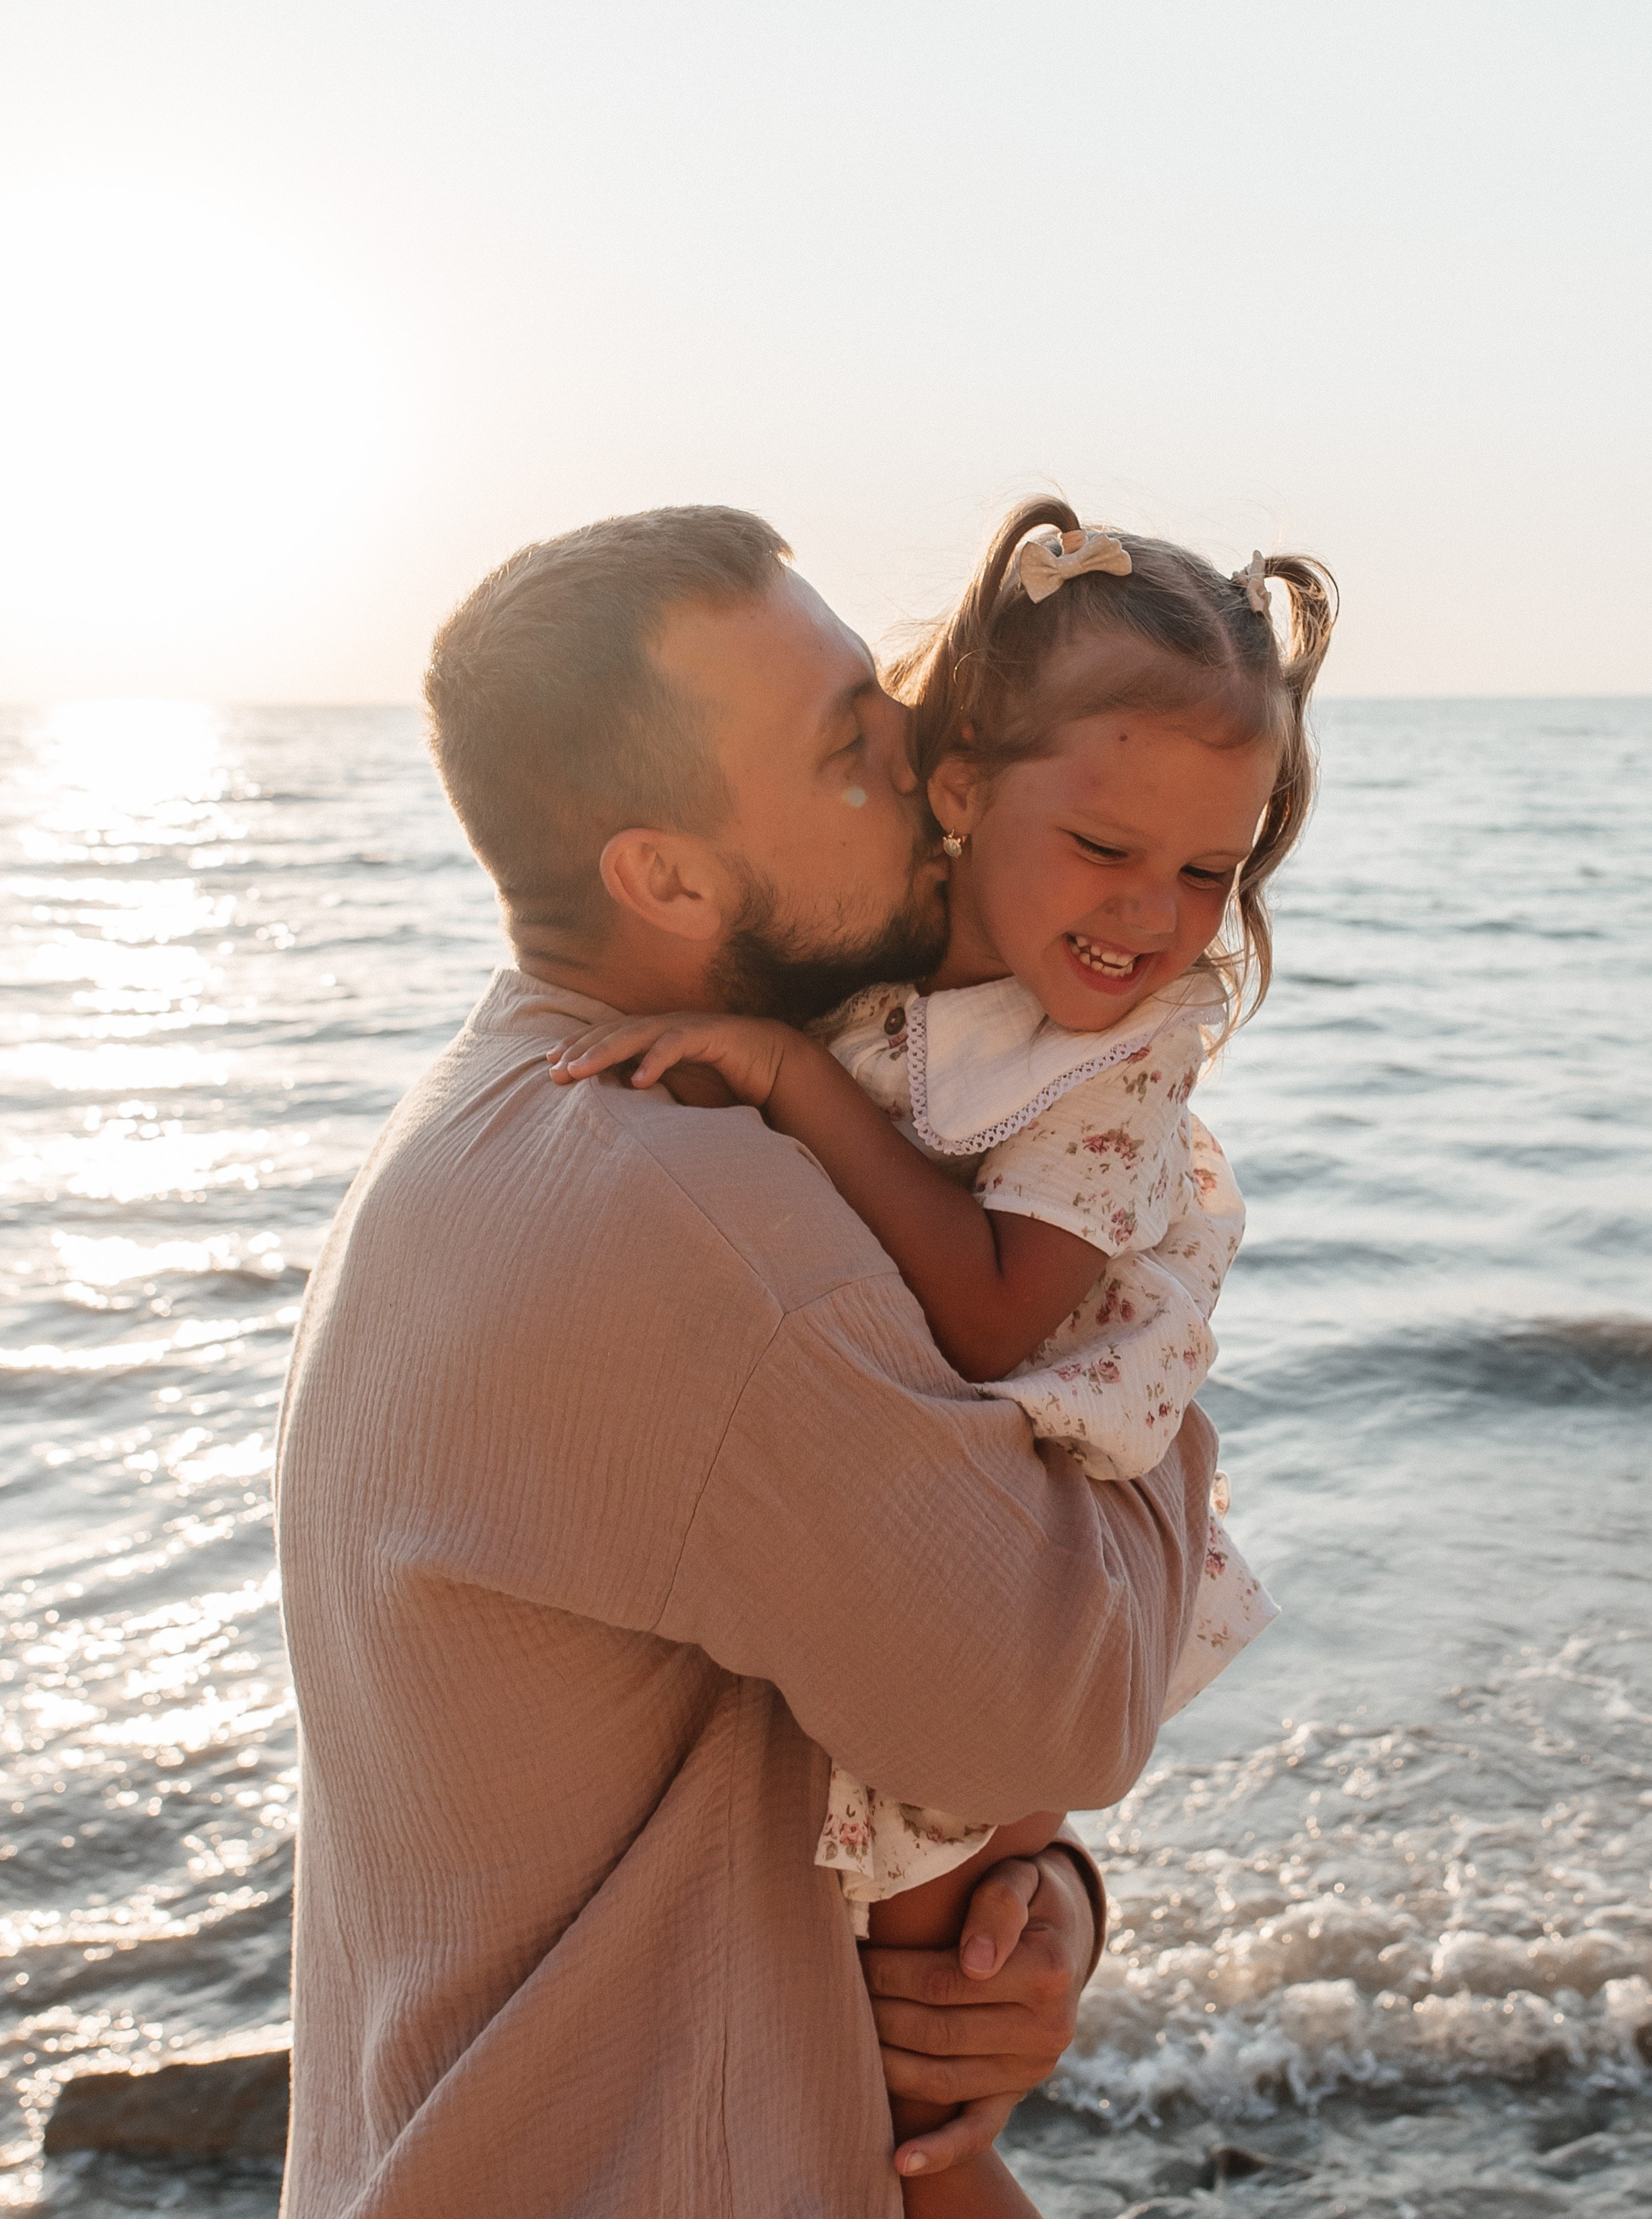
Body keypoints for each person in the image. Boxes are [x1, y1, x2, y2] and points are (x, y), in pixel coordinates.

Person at [274, 505, 1218, 2218]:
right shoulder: (685, 1218)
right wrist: (1152, 1348)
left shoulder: (481, 1126)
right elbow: (1056, 1697)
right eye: (851, 752)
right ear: (671, 876)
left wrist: (1038, 1912)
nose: (928, 764)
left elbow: (860, 1682)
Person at [552, 499, 1335, 2217]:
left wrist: (784, 1078)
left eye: (1210, 872)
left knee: (904, 2067)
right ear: (964, 789)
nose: (1154, 917)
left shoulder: (1112, 1061)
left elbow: (994, 1313)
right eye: (1111, 849)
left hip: (1029, 1517)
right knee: (883, 2021)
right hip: (912, 1535)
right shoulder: (874, 950)